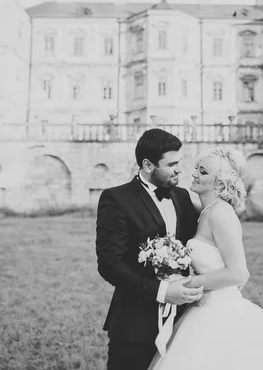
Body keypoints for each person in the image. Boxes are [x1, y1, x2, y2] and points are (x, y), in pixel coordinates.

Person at [148, 147, 263, 370]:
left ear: (220, 182)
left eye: (202, 171)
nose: (194, 174)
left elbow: (238, 273)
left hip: (221, 311)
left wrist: (182, 284)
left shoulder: (221, 214)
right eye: (196, 168)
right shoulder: (205, 211)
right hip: (201, 308)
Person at [96, 128, 204, 370]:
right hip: (134, 325)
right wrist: (163, 291)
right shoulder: (116, 199)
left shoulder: (183, 196)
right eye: (172, 164)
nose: (179, 169)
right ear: (147, 165)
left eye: (180, 162)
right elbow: (110, 265)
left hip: (182, 321)